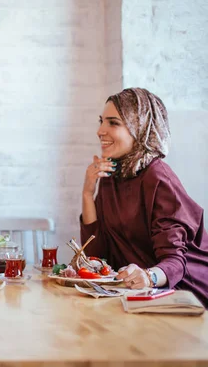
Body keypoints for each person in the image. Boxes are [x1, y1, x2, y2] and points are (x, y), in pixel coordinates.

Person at [80, 87, 208, 307]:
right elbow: (96, 257)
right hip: (138, 297)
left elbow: (176, 262)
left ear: (139, 129)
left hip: (185, 295)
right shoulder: (112, 175)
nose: (100, 131)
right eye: (101, 121)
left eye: (113, 123)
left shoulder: (158, 178)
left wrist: (149, 277)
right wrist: (87, 193)